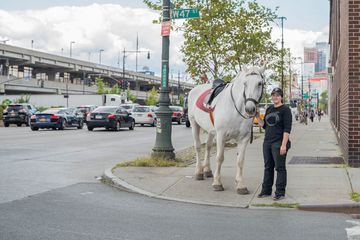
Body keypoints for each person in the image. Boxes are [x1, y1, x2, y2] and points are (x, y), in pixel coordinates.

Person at [255, 87, 292, 200]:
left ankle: (280, 192)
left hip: (279, 142)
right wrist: (257, 116)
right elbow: (265, 126)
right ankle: (266, 190)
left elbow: (287, 129)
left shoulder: (285, 109)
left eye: (277, 95)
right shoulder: (269, 108)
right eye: (273, 95)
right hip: (267, 142)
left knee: (279, 168)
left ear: (281, 97)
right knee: (268, 167)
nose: (275, 97)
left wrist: (283, 145)